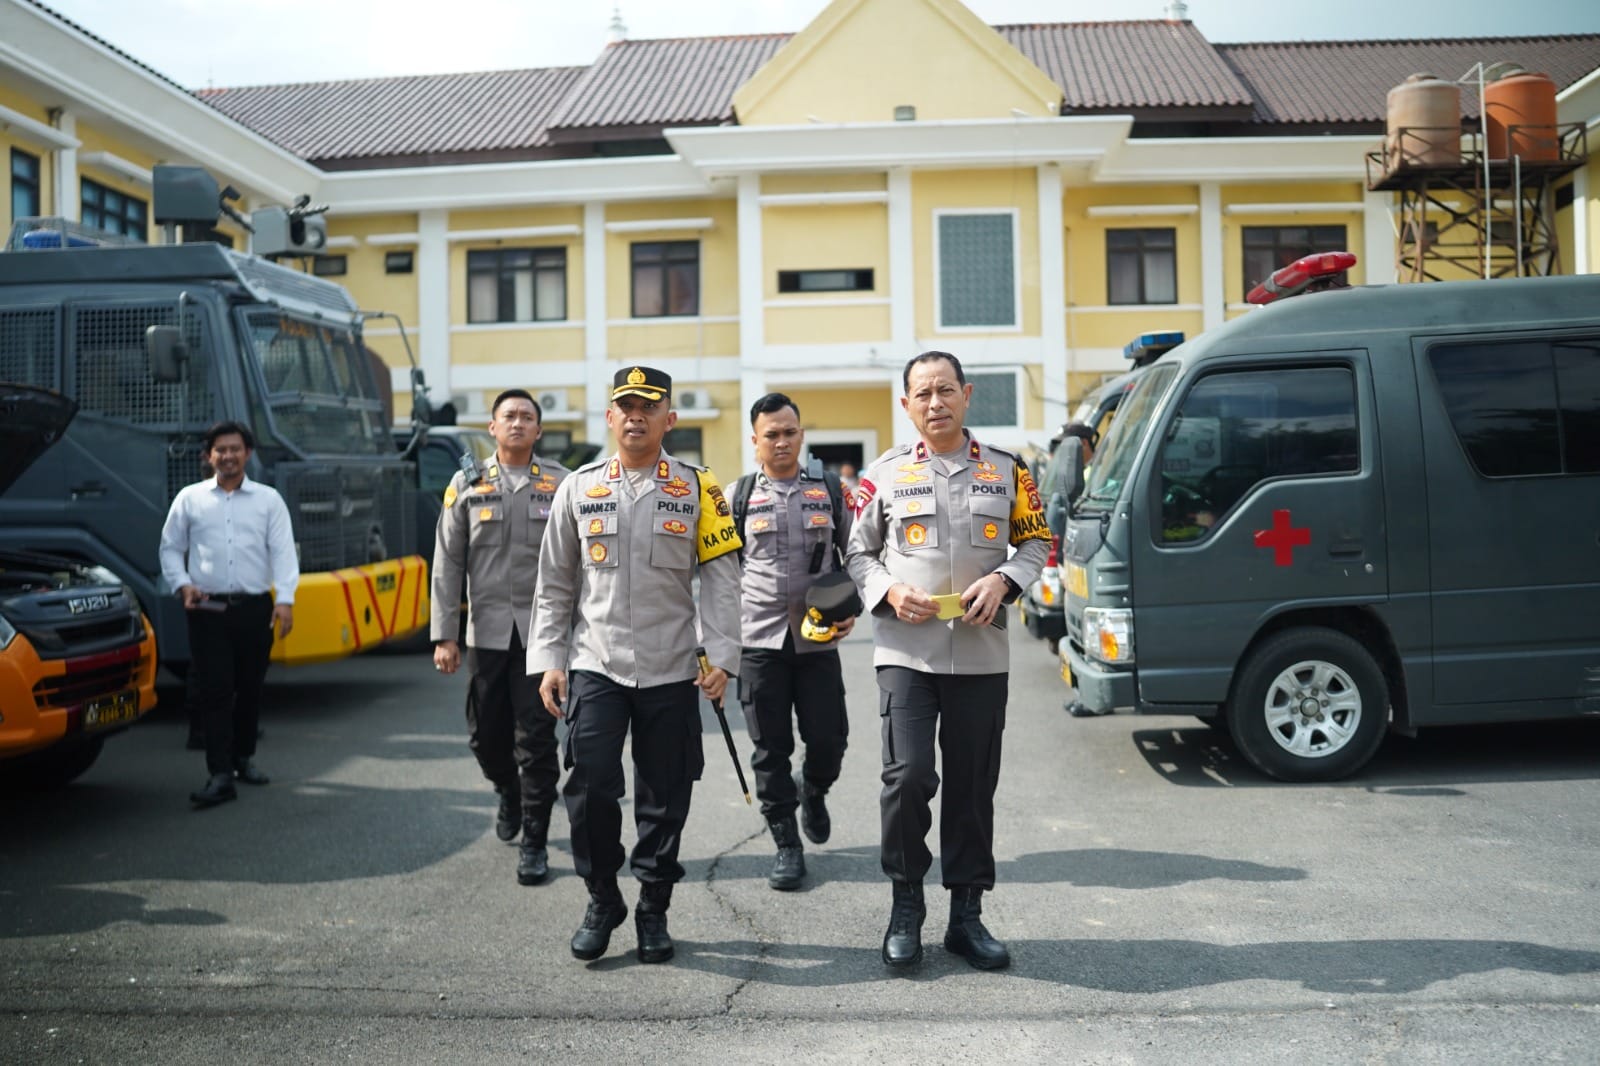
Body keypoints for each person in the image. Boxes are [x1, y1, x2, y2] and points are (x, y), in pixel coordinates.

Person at [529, 365, 742, 965]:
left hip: (673, 665)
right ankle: (603, 898)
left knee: (665, 795)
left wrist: (723, 657)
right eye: (626, 406)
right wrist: (549, 659)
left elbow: (723, 582)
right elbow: (554, 583)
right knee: (589, 785)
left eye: (649, 407)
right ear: (610, 416)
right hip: (597, 662)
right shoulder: (579, 488)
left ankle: (653, 906)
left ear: (669, 418)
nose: (636, 416)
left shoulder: (700, 489)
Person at [845, 351, 1050, 971]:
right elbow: (858, 553)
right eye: (922, 394)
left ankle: (967, 916)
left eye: (945, 390)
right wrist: (888, 590)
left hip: (982, 658)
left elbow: (1037, 541)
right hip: (906, 654)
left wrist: (1005, 581)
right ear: (906, 404)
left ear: (967, 394)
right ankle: (905, 906)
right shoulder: (884, 474)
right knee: (907, 778)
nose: (934, 403)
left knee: (972, 785)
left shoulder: (1008, 470)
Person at [431, 389, 568, 886]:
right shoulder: (467, 483)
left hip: (542, 637)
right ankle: (508, 790)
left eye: (527, 416)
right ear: (492, 427)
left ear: (538, 430)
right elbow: (447, 561)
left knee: (536, 741)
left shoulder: (561, 484)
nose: (517, 422)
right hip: (486, 633)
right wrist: (445, 634)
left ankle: (534, 842)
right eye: (508, 415)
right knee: (486, 737)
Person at [730, 393, 856, 891]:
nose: (781, 442)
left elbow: (858, 556)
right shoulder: (738, 497)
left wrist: (851, 610)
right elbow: (719, 575)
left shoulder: (830, 490)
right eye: (771, 434)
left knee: (829, 739)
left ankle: (815, 788)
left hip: (818, 639)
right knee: (770, 748)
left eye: (789, 433)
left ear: (801, 435)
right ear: (755, 440)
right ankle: (786, 845)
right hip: (758, 641)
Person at [159, 421, 298, 809]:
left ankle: (242, 758)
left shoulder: (268, 500)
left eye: (235, 448)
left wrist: (285, 599)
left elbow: (283, 551)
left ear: (247, 454)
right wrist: (182, 584)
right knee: (215, 690)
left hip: (255, 609)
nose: (228, 456)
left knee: (250, 688)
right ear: (209, 456)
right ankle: (219, 774)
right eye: (220, 450)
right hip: (208, 610)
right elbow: (170, 548)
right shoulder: (190, 499)